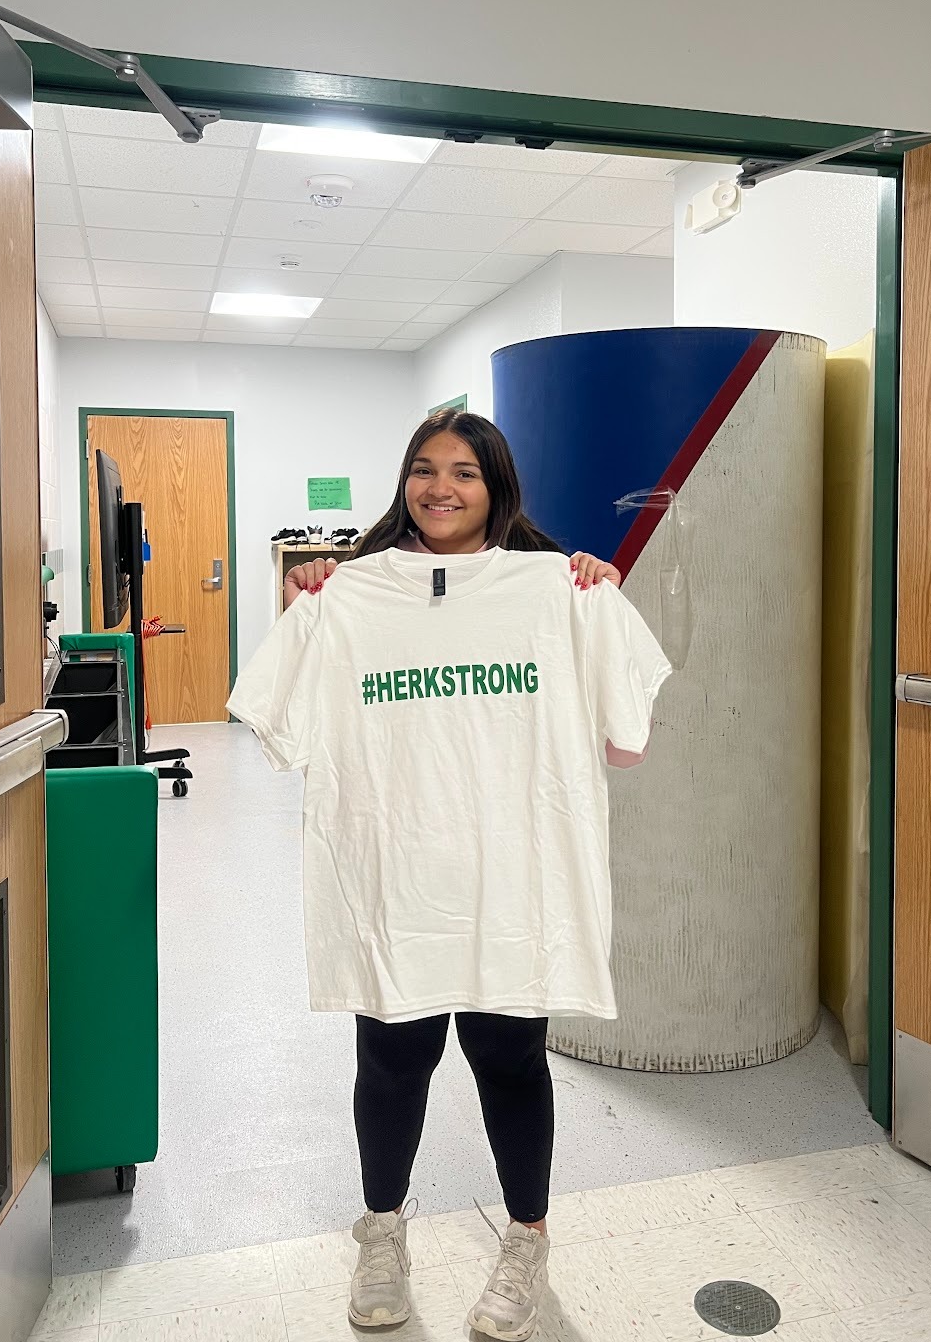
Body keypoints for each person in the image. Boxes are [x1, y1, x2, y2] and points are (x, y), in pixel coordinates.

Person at [231, 410, 667, 1341]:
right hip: (395, 884)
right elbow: (277, 721)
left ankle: (527, 1241)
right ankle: (382, 1232)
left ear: (495, 486)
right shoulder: (345, 596)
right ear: (404, 486)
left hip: (515, 886)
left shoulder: (564, 590)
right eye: (424, 471)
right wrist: (309, 603)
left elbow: (627, 746)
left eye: (464, 472)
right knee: (392, 1060)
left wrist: (595, 602)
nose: (441, 488)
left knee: (511, 1061)